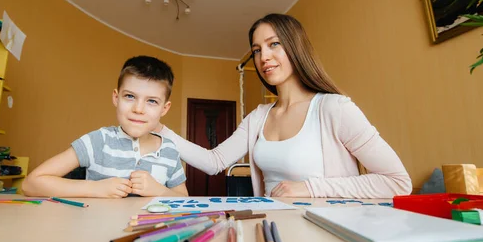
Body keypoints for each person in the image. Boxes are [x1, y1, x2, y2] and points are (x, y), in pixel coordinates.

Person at [159, 14, 411, 198]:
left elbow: (397, 182)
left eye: (274, 44)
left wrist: (309, 187)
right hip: (272, 231)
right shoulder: (258, 118)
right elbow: (214, 161)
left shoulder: (335, 108)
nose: (263, 57)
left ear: (295, 47)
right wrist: (159, 130)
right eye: (256, 50)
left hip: (327, 238)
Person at [23, 56, 188, 198]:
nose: (138, 109)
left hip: (152, 234)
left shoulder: (170, 150)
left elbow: (184, 199)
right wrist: (95, 188)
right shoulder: (97, 141)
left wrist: (160, 191)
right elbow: (31, 184)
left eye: (152, 101)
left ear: (164, 108)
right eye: (130, 96)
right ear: (116, 98)